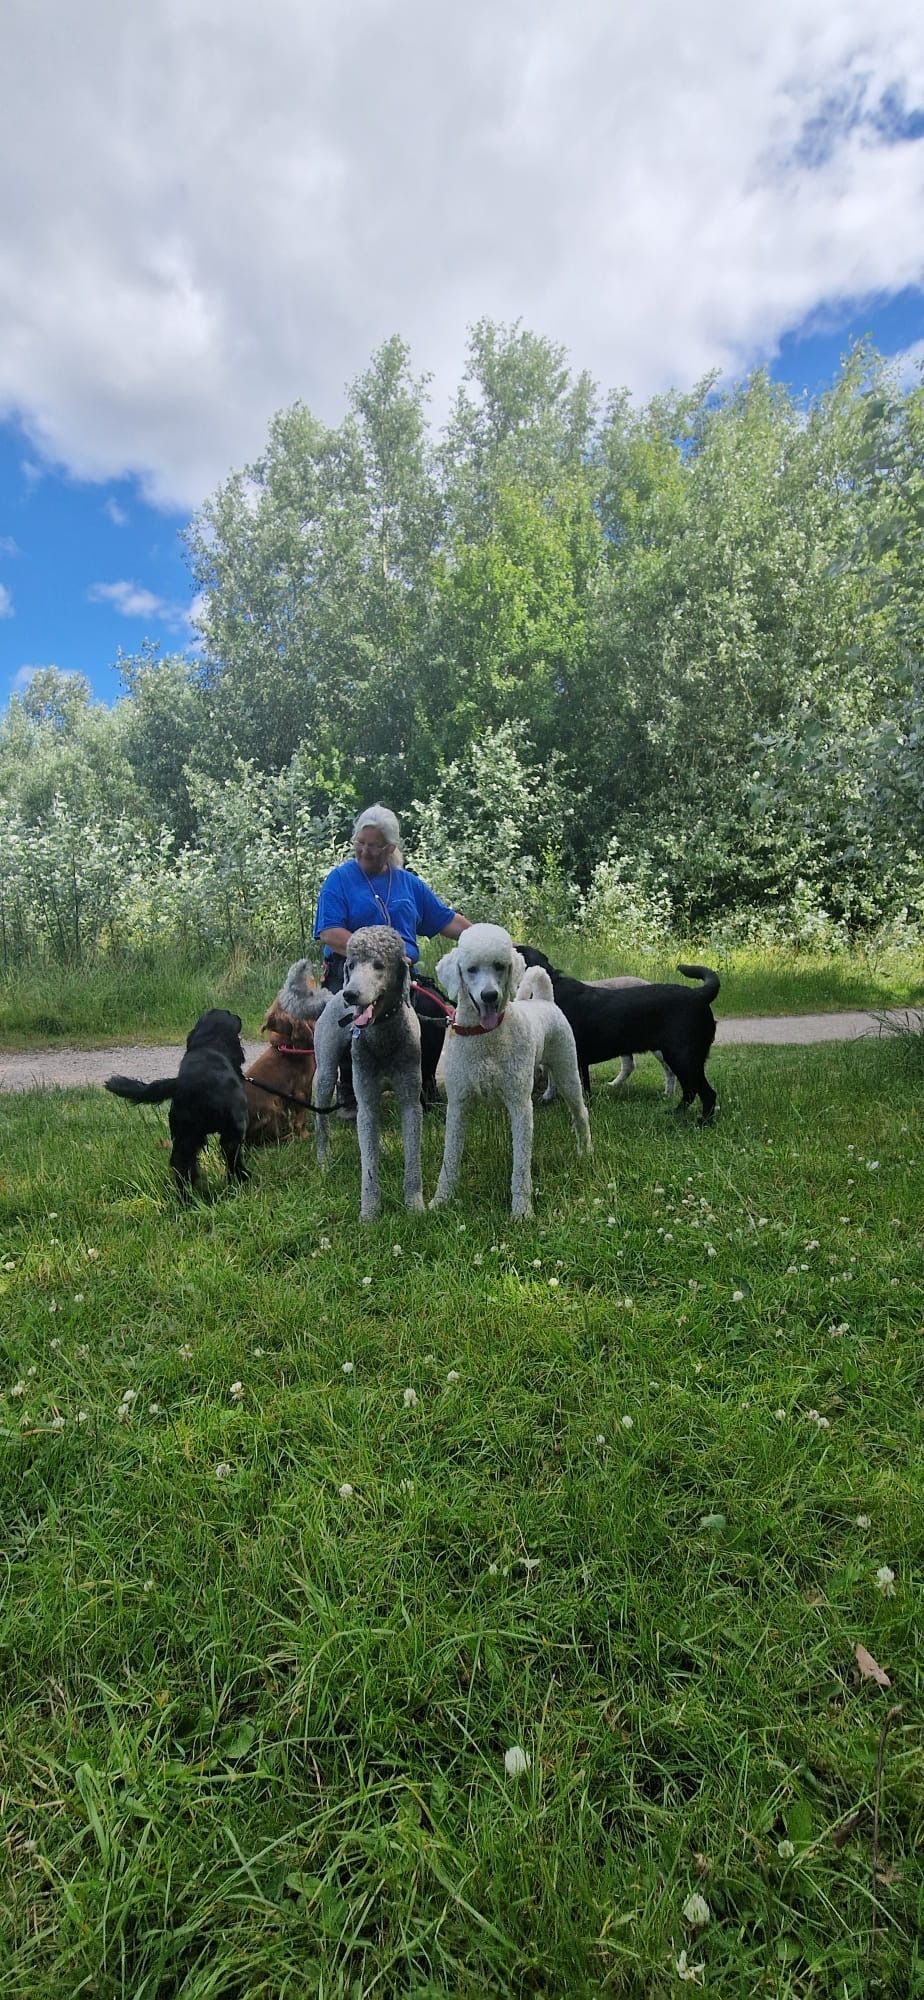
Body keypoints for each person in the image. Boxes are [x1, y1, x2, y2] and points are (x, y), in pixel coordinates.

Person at [313, 805, 471, 1114]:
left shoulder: (407, 883)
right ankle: (349, 1089)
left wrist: (486, 939)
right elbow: (329, 933)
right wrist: (374, 954)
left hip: (400, 974)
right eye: (360, 842)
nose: (365, 851)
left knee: (432, 1009)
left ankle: (422, 1082)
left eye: (373, 845)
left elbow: (447, 921)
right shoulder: (339, 880)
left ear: (390, 848)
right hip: (351, 970)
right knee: (353, 1008)